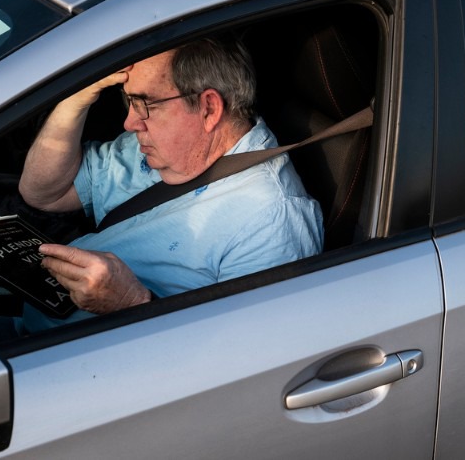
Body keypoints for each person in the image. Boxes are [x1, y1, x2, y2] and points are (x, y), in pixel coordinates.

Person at [18, 36, 323, 329]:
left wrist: (132, 304)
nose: (129, 123)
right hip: (29, 319)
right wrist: (76, 99)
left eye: (144, 104)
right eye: (129, 101)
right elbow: (45, 193)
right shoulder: (156, 146)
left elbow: (240, 361)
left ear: (208, 108)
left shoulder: (271, 222)